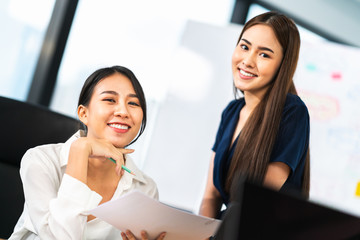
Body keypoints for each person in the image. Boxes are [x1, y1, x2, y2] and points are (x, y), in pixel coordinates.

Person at [9, 66, 166, 240]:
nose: (123, 112)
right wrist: (80, 150)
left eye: (133, 103)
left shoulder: (145, 188)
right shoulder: (42, 160)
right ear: (84, 113)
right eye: (110, 100)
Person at [199, 11, 310, 220]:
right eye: (244, 46)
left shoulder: (292, 111)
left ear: (282, 65)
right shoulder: (231, 112)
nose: (248, 61)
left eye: (264, 54)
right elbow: (211, 196)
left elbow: (257, 201)